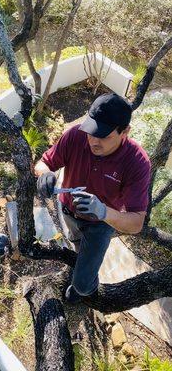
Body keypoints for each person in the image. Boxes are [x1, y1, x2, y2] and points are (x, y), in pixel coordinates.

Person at [35, 93, 151, 303]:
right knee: (74, 240)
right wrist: (45, 175)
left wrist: (103, 211)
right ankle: (79, 249)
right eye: (91, 132)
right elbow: (44, 163)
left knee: (82, 284)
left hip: (100, 224)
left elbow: (136, 223)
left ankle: (83, 290)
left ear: (125, 132)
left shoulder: (137, 163)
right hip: (68, 210)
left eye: (104, 136)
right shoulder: (76, 135)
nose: (93, 141)